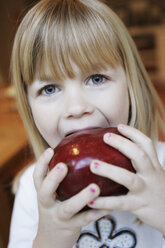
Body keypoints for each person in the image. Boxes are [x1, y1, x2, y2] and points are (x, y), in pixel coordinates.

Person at [8, 0, 165, 247]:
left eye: (96, 78)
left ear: (131, 86)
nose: (77, 108)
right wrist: (50, 238)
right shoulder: (34, 191)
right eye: (49, 88)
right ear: (29, 107)